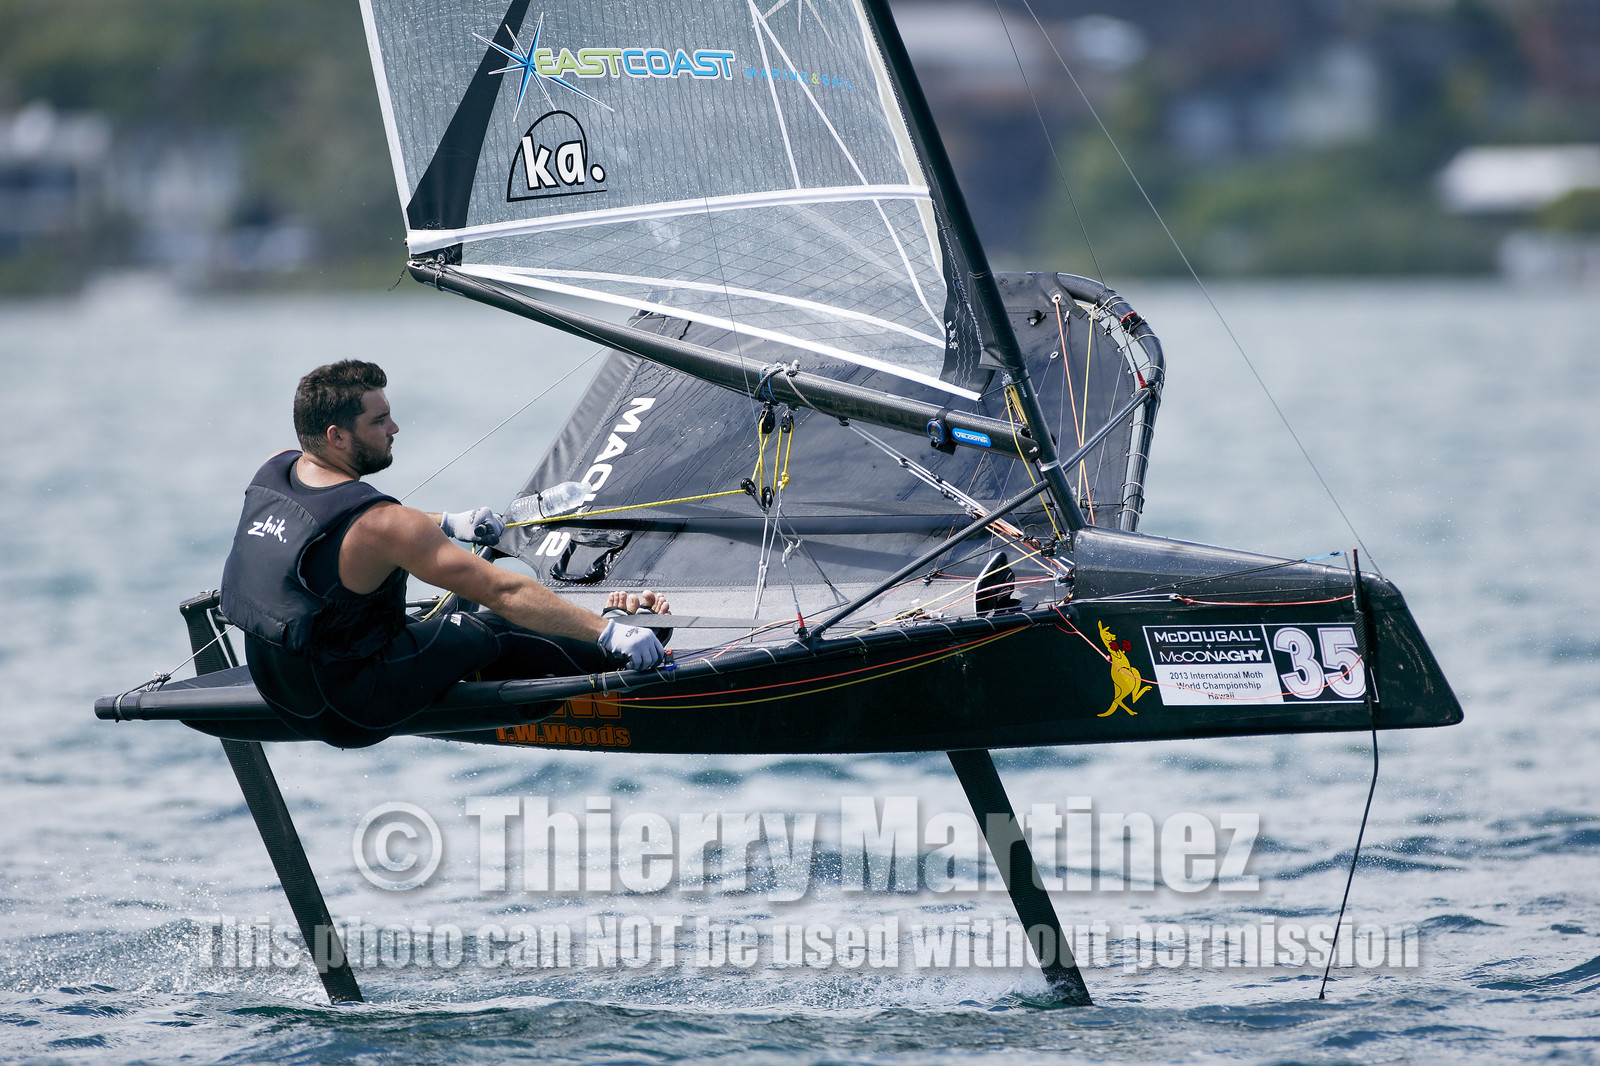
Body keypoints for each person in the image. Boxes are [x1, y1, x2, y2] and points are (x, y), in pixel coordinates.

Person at [219, 360, 666, 747]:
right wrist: (607, 632)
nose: (394, 429)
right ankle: (624, 647)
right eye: (379, 421)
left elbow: (344, 524)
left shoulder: (275, 469)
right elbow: (503, 589)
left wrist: (449, 521)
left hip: (282, 693)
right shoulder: (385, 524)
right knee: (493, 628)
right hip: (348, 711)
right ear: (336, 436)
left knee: (429, 626)